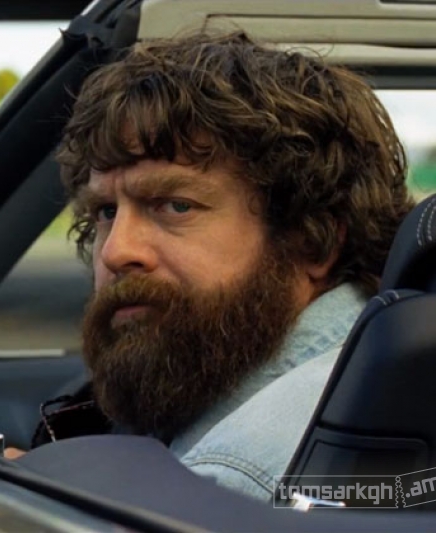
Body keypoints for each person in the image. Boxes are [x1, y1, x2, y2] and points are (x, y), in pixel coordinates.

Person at [49, 30, 414, 501]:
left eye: (175, 206)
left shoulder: (232, 480)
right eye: (105, 212)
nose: (116, 251)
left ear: (312, 240)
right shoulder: (389, 366)